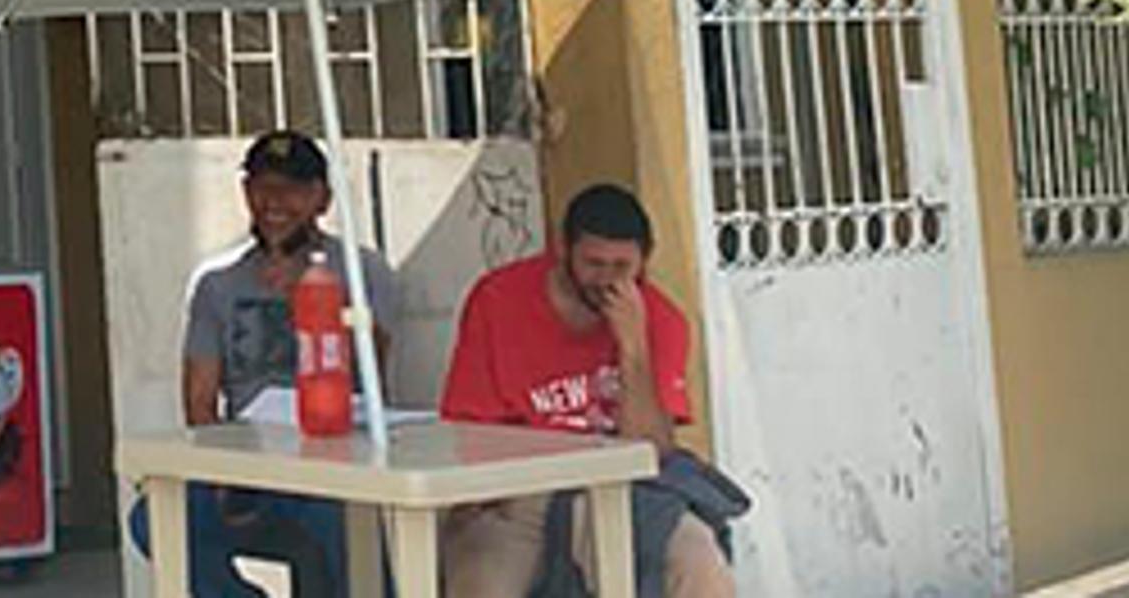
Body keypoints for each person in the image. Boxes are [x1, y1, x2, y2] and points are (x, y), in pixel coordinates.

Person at [437, 184, 735, 598]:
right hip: (520, 490)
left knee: (699, 562)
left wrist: (633, 345)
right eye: (594, 264)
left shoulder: (660, 318)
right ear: (562, 250)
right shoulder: (498, 299)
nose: (608, 281)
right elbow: (466, 427)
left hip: (623, 488)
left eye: (622, 267)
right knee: (482, 582)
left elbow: (651, 448)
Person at [132, 130, 396, 598]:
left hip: (333, 463)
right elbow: (199, 398)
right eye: (262, 187)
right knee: (154, 516)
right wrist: (220, 476)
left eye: (293, 189)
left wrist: (311, 295)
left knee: (343, 522)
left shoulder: (361, 270)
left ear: (322, 198)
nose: (275, 202)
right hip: (249, 468)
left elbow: (370, 372)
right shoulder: (218, 283)